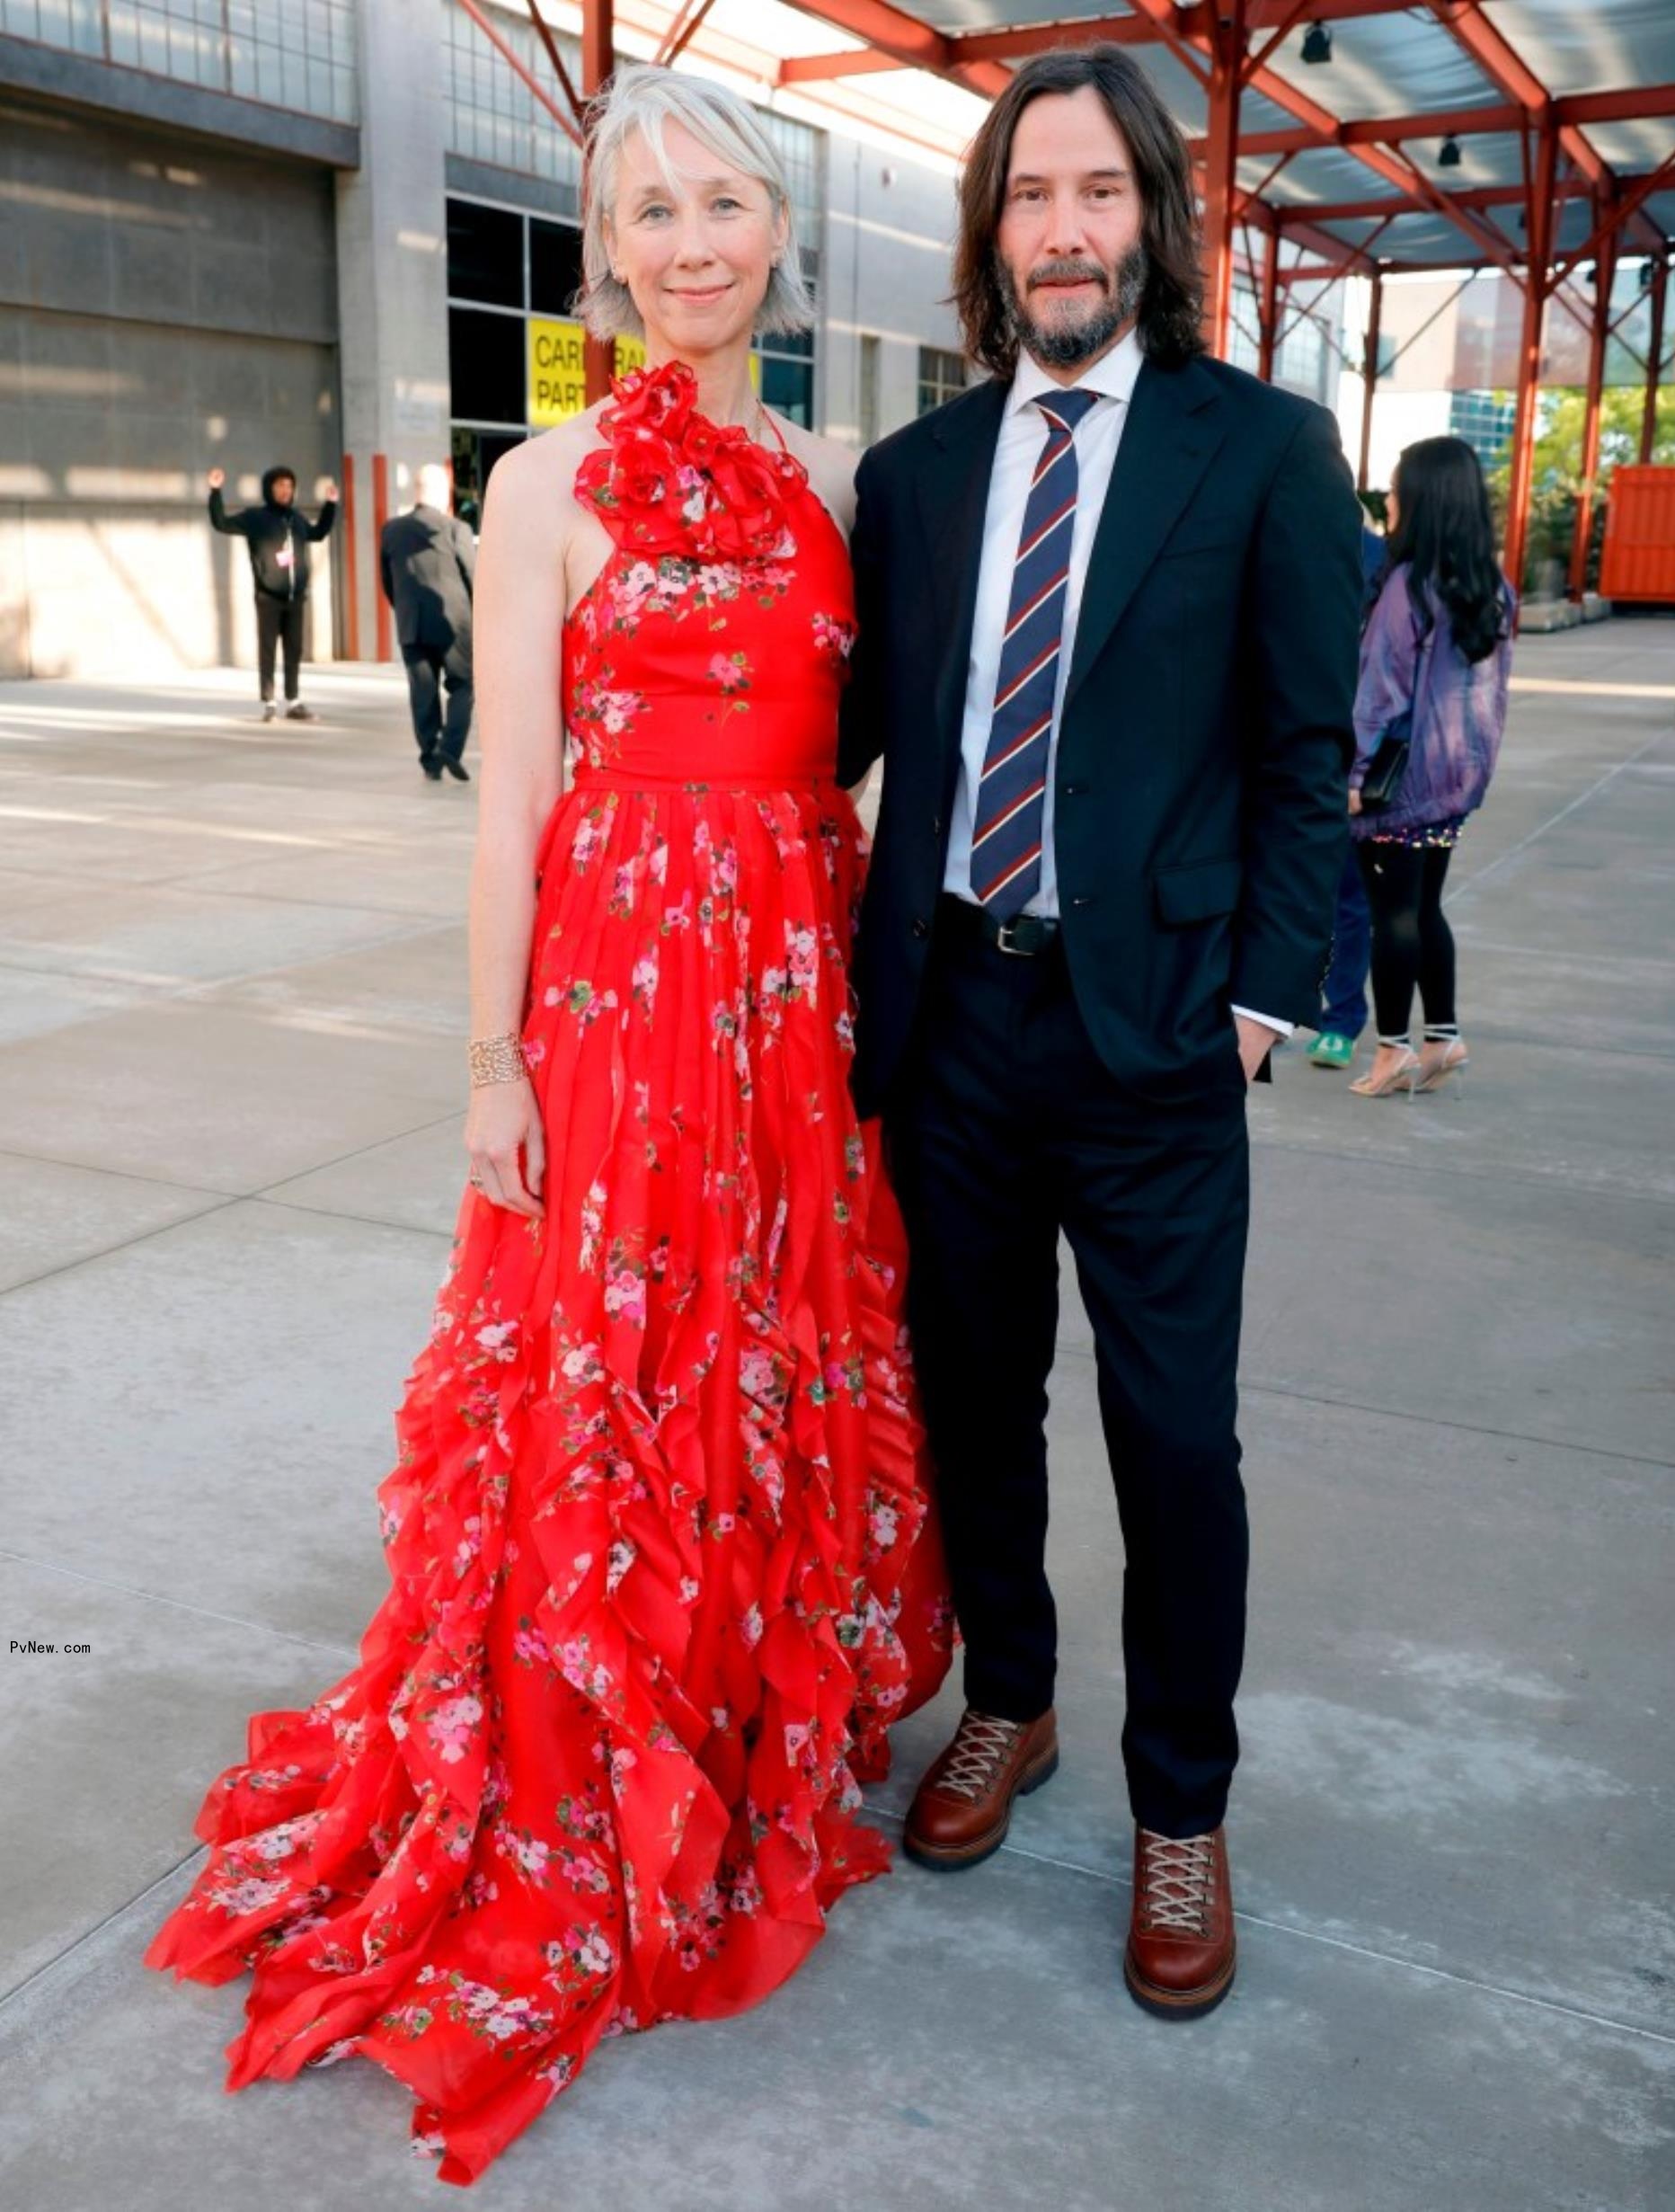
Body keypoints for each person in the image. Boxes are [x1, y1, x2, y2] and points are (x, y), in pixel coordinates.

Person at [147, 66, 950, 2184]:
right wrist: (489, 1056)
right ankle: (596, 1734)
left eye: (720, 202)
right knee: (602, 1364)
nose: (687, 242)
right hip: (611, 984)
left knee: (761, 1346)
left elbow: (860, 764)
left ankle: (744, 1710)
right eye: (647, 213)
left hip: (792, 980)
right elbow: (509, 787)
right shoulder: (540, 481)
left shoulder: (845, 475)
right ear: (603, 257)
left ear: (780, 230)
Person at [842, 44, 1358, 2021]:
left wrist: (1257, 1004)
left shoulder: (1263, 455)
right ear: (992, 233)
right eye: (1029, 194)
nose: (1062, 228)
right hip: (952, 1021)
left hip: (1155, 1041)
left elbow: (1315, 753)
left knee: (1171, 1440)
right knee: (978, 1406)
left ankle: (1182, 1805)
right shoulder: (916, 477)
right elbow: (843, 735)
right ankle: (1015, 1702)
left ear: (1153, 217)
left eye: (1098, 193)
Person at [1347, 437, 1513, 1098]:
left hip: (1399, 784)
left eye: (1394, 488)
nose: (1387, 500)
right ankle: (1442, 1036)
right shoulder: (1491, 588)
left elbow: (1378, 694)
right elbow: (1492, 696)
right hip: (1456, 782)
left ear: (1422, 498)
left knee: (1394, 915)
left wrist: (1356, 778)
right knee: (1425, 905)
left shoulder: (1407, 587)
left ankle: (1392, 1052)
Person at [1307, 518, 1387, 1072]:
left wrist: (1358, 773)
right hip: (1270, 744)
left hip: (1338, 754)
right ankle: (1279, 1007)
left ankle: (1340, 1018)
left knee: (1343, 898)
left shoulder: (1376, 558)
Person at [207, 464, 338, 722]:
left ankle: (294, 701)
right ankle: (269, 701)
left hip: (295, 597)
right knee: (267, 650)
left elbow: (319, 533)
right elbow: (221, 523)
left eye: (289, 486)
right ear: (269, 489)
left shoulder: (296, 519)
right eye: (279, 485)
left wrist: (331, 505)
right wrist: (215, 491)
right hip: (268, 597)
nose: (285, 490)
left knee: (294, 650)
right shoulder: (256, 518)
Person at [380, 462, 478, 782]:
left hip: (412, 624)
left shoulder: (392, 529)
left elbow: (387, 580)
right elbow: (473, 576)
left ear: (416, 492)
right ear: (442, 491)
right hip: (455, 625)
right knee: (463, 685)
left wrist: (404, 609)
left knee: (422, 692)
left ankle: (429, 758)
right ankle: (450, 748)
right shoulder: (455, 529)